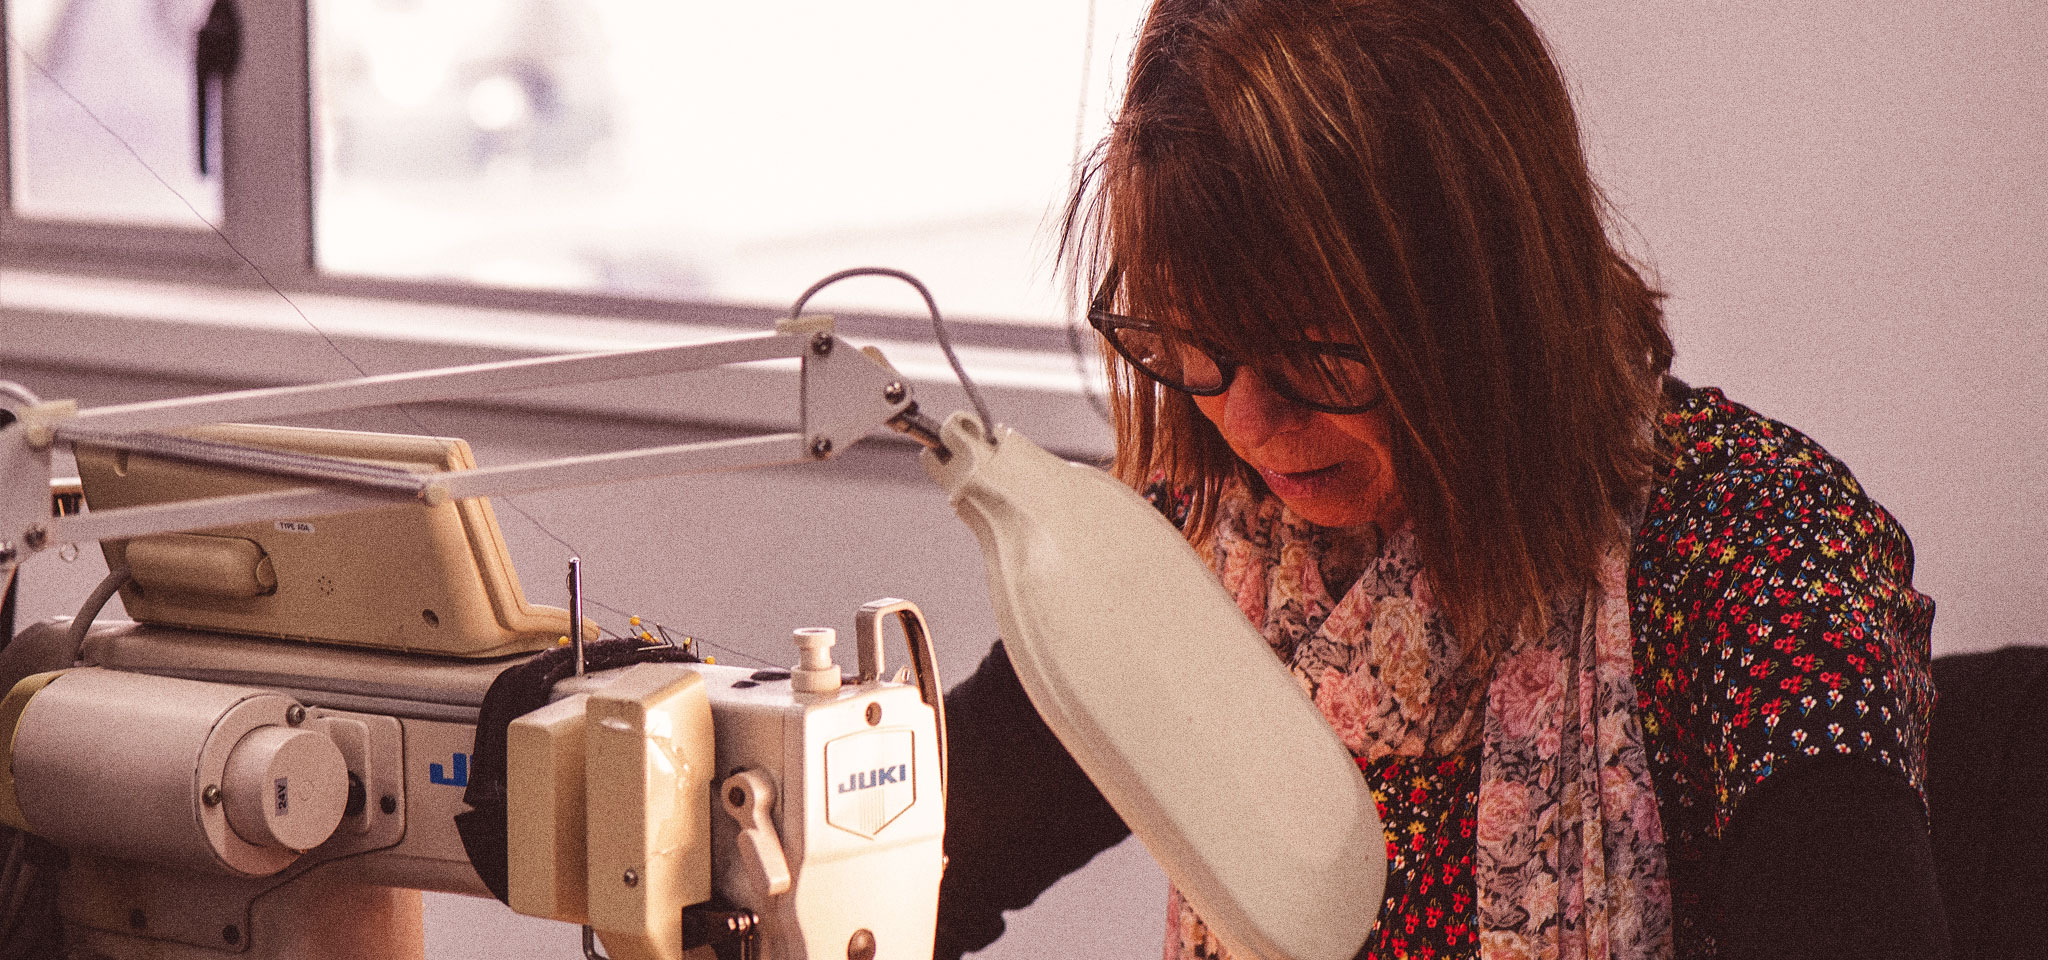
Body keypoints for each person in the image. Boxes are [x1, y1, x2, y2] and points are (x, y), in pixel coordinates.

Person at [932, 1, 1948, 958]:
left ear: (1481, 299)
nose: (1246, 423)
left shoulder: (1756, 550)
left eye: (1312, 353)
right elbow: (938, 849)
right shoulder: (1206, 540)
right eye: (1188, 340)